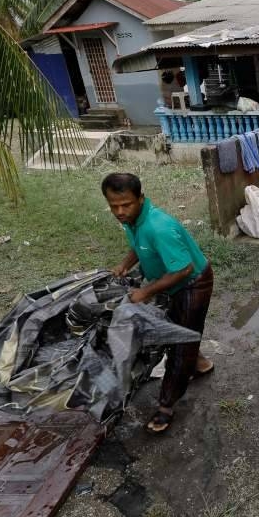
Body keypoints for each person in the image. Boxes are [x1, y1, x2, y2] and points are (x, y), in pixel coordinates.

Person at [103, 173, 213, 434]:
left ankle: (166, 406)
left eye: (126, 205)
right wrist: (123, 266)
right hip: (173, 281)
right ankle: (199, 363)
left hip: (191, 283)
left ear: (140, 199)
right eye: (113, 206)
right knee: (179, 330)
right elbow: (140, 246)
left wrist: (145, 292)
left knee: (178, 343)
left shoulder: (158, 226)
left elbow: (183, 269)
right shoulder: (135, 220)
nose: (120, 211)